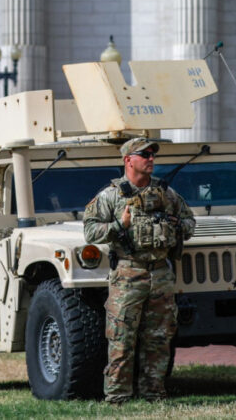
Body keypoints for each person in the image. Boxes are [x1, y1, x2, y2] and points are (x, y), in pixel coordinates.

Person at [83, 137, 195, 404]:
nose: (151, 159)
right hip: (127, 275)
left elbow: (190, 222)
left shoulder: (167, 194)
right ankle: (118, 396)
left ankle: (153, 393)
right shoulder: (111, 195)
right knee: (122, 338)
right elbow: (89, 230)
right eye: (145, 155)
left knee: (159, 337)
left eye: (153, 155)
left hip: (160, 274)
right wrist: (119, 225)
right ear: (128, 160)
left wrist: (177, 224)